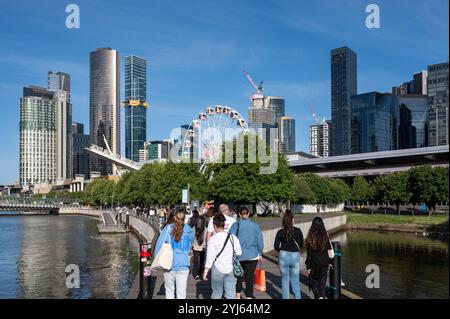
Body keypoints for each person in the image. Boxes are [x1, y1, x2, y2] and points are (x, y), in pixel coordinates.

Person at [154, 208, 195, 299]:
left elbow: (159, 245)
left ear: (174, 218)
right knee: (181, 294)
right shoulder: (189, 230)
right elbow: (191, 242)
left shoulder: (168, 229)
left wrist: (156, 259)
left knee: (169, 291)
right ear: (184, 218)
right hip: (183, 264)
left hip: (169, 264)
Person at [203, 213, 242, 299]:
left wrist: (205, 272)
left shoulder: (213, 239)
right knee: (231, 293)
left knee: (216, 293)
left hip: (217, 268)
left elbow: (210, 258)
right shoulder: (233, 237)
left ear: (214, 225)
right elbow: (239, 252)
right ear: (224, 225)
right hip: (231, 268)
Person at [229, 207, 264, 299]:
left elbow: (230, 239)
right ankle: (249, 296)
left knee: (238, 276)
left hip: (238, 255)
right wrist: (260, 252)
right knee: (250, 277)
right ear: (248, 214)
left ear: (239, 214)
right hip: (252, 255)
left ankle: (237, 296)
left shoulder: (235, 225)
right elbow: (260, 241)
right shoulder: (255, 226)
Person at [274, 210, 304, 299]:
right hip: (295, 256)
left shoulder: (280, 232)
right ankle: (298, 297)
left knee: (285, 280)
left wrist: (281, 250)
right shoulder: (298, 231)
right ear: (293, 220)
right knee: (295, 280)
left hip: (283, 256)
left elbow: (276, 246)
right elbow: (301, 244)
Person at [305, 216, 334, 299]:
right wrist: (331, 262)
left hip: (314, 263)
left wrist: (308, 266)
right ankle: (321, 296)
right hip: (324, 262)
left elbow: (309, 253)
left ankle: (318, 296)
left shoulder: (311, 237)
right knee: (323, 282)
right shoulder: (325, 236)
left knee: (314, 281)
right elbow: (330, 252)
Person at [189, 209, 207, 280]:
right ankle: (200, 273)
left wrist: (191, 246)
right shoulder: (205, 228)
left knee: (195, 260)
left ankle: (195, 274)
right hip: (203, 246)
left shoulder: (194, 228)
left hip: (195, 245)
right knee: (202, 260)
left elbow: (192, 237)